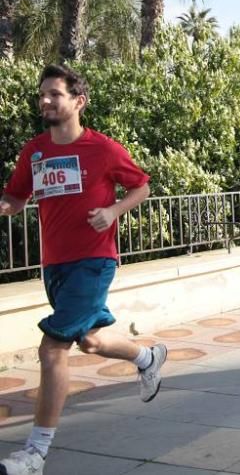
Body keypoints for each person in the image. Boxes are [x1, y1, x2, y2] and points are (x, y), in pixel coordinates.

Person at [0, 65, 161, 475]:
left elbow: (141, 186)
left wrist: (113, 211)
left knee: (52, 348)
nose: (46, 101)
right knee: (88, 342)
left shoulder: (103, 149)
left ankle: (34, 455)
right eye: (43, 95)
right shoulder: (34, 151)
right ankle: (146, 357)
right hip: (54, 263)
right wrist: (8, 205)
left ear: (78, 102)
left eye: (55, 94)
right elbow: (17, 196)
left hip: (93, 261)